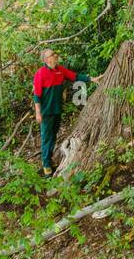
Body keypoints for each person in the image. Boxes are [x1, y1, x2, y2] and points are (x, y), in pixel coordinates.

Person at [31, 48, 98, 176]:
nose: (56, 55)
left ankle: (49, 159)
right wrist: (38, 113)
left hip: (57, 110)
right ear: (46, 59)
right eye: (52, 54)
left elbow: (75, 76)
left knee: (53, 136)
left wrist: (91, 79)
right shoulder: (40, 73)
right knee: (46, 138)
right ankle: (46, 166)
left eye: (55, 53)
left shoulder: (60, 70)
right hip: (46, 112)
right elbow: (37, 95)